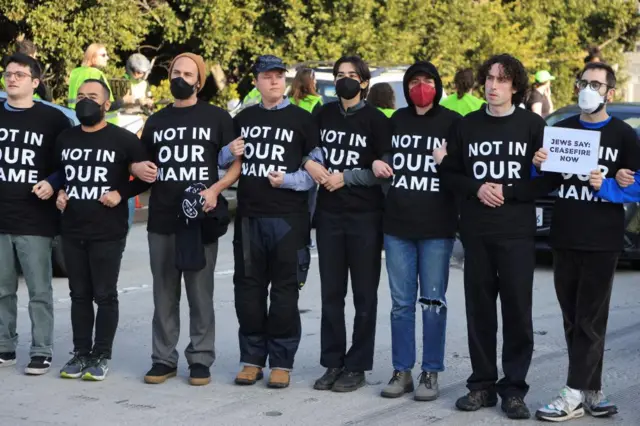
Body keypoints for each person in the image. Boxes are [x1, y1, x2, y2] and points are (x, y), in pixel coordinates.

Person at [435, 54, 559, 420]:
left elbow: (552, 178)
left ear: (516, 86)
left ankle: (514, 390)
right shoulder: (466, 125)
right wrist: (477, 188)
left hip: (517, 233)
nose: (493, 86)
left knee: (518, 314)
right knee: (480, 313)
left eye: (502, 80)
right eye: (489, 78)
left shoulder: (533, 125)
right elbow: (449, 174)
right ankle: (482, 385)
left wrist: (509, 189)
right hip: (476, 233)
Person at [533, 62, 640, 422]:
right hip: (564, 236)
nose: (588, 89)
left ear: (610, 92)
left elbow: (637, 184)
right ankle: (591, 389)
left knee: (590, 319)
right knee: (572, 318)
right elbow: (541, 180)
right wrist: (537, 163)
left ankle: (572, 394)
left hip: (602, 240)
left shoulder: (624, 135)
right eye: (584, 82)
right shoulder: (562, 129)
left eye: (596, 84)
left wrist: (609, 186)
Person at [132, 52, 242, 387]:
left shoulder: (218, 117)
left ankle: (200, 358)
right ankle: (163, 359)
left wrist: (216, 189)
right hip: (163, 218)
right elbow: (140, 164)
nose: (181, 77)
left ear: (199, 80)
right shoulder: (156, 121)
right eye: (176, 72)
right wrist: (136, 168)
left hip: (201, 218)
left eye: (188, 73)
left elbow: (237, 164)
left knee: (199, 292)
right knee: (164, 294)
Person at [373, 61, 460, 401]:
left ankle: (431, 372)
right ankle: (402, 371)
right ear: (406, 88)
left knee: (434, 303)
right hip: (398, 227)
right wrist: (376, 163)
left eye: (427, 81)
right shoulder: (396, 121)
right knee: (400, 304)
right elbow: (379, 158)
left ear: (437, 86)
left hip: (437, 229)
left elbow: (463, 170)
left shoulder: (454, 123)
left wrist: (446, 161)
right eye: (414, 82)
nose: (421, 87)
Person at [305, 55, 391, 393]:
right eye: (339, 75)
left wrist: (348, 178)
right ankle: (333, 362)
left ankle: (357, 366)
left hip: (366, 216)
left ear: (365, 82)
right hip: (328, 215)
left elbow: (383, 169)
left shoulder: (377, 120)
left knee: (364, 295)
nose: (345, 80)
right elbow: (303, 148)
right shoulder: (322, 113)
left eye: (352, 75)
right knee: (331, 294)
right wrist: (308, 164)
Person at [231, 55, 318, 389]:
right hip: (250, 216)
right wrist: (228, 151)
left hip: (288, 218)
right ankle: (251, 359)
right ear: (256, 81)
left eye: (279, 76)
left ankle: (282, 362)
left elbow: (314, 171)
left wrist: (289, 180)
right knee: (248, 291)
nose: (274, 82)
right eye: (267, 77)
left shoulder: (303, 119)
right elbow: (226, 160)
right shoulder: (244, 118)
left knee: (284, 293)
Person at [54, 79, 149, 381]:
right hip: (71, 228)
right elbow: (58, 173)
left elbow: (148, 176)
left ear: (107, 105)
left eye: (93, 97)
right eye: (81, 96)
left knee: (104, 295)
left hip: (108, 230)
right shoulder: (65, 138)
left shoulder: (123, 140)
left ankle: (101, 355)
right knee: (79, 294)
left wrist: (121, 193)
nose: (86, 101)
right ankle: (80, 353)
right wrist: (59, 191)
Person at [0, 53, 72, 374]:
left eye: (19, 74)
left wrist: (52, 182)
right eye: (8, 73)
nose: (11, 78)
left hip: (36, 220)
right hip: (1, 218)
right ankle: (4, 345)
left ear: (35, 82)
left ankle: (41, 349)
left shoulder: (53, 120)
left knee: (39, 291)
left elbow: (68, 163)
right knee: (2, 289)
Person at [288, 67, 324, 248]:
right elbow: (318, 131)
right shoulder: (316, 101)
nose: (316, 82)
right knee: (309, 199)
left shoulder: (288, 101)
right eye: (314, 79)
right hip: (308, 155)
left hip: (289, 154)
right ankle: (304, 236)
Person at [67, 43, 115, 110]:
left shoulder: (75, 72)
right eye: (103, 55)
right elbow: (103, 105)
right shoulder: (96, 74)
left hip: (74, 115)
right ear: (93, 57)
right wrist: (123, 101)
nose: (107, 58)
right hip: (100, 119)